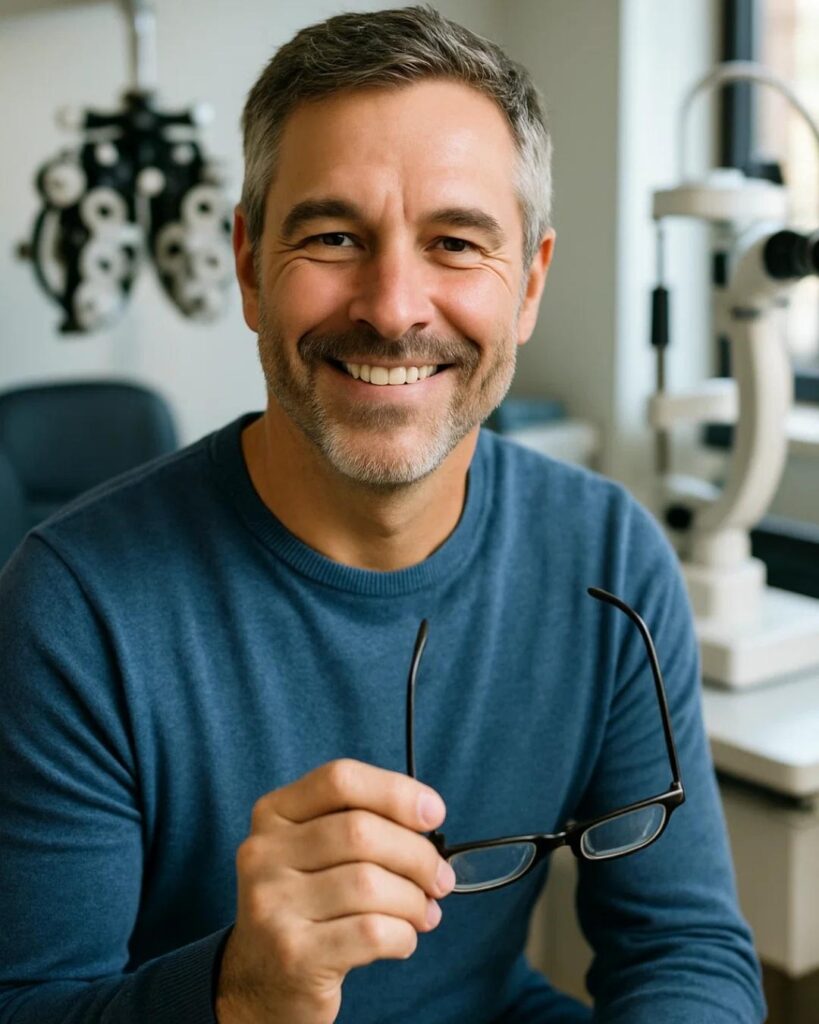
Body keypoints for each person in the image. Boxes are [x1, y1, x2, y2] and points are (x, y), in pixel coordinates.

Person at [0, 6, 766, 1023]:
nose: (394, 304)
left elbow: (686, 949)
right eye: (331, 235)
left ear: (529, 283)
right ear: (246, 265)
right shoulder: (72, 604)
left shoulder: (610, 558)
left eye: (455, 241)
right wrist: (237, 994)